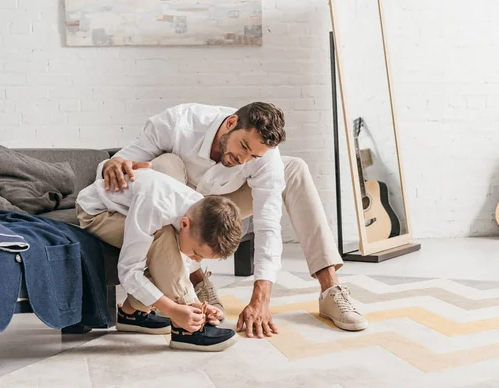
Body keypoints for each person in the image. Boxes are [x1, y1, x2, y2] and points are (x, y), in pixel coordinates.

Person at [82, 101, 368, 339]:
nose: (243, 159)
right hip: (178, 205)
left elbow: (268, 224)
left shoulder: (261, 157)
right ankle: (192, 283)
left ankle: (331, 289)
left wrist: (261, 298)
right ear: (230, 123)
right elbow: (114, 171)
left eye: (253, 155)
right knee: (166, 162)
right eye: (242, 146)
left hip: (223, 202)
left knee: (295, 169)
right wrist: (113, 164)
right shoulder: (177, 123)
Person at [76, 167, 243, 352]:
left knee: (164, 243)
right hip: (95, 212)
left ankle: (132, 313)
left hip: (129, 209)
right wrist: (174, 310)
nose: (197, 260)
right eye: (197, 253)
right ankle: (186, 331)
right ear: (184, 224)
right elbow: (129, 272)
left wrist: (197, 305)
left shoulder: (199, 211)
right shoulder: (155, 206)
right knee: (162, 236)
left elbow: (174, 265)